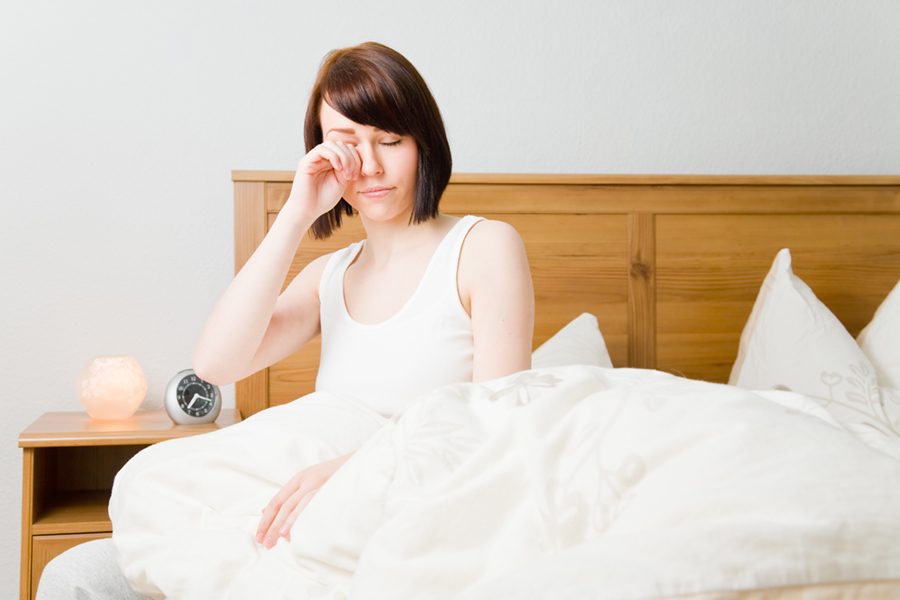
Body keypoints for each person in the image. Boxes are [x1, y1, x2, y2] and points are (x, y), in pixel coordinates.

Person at [35, 41, 534, 599]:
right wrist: (297, 213)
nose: (369, 165)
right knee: (88, 552)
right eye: (347, 145)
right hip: (305, 498)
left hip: (401, 498)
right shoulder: (330, 275)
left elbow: (498, 423)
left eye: (389, 141)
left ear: (424, 142)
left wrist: (355, 471)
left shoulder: (484, 247)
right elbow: (216, 364)